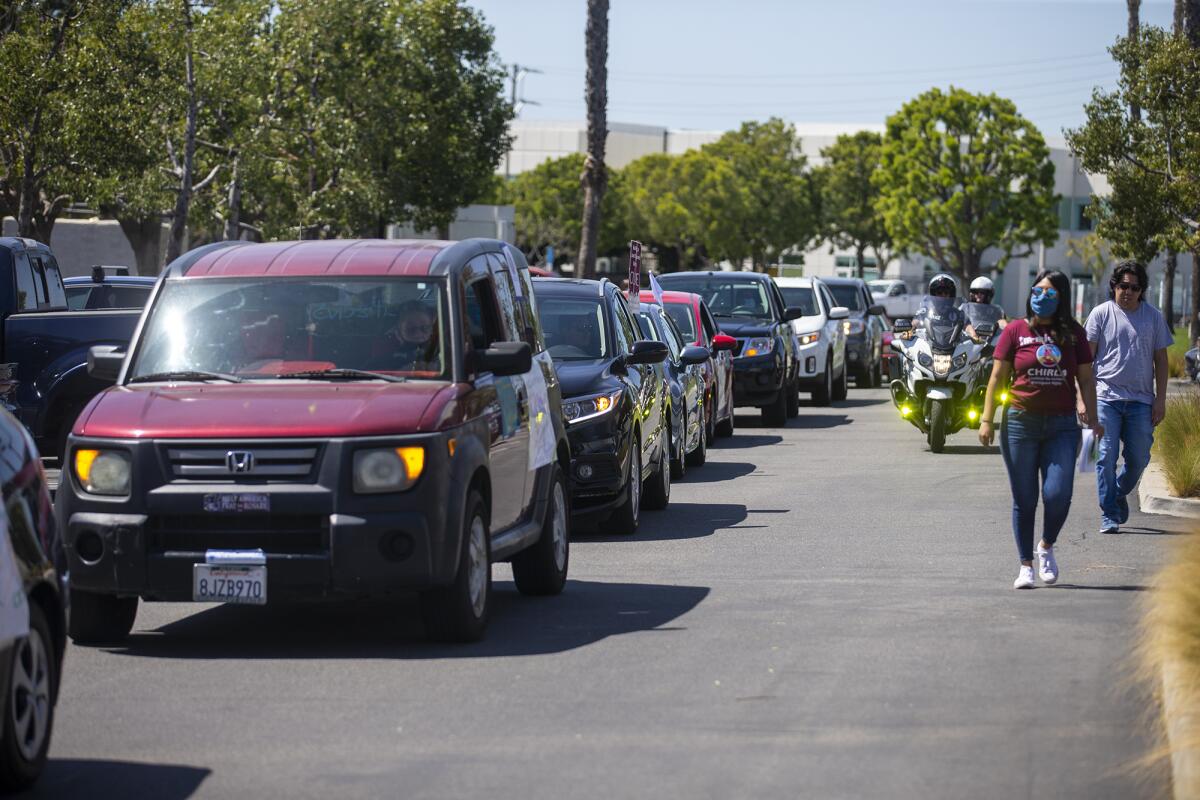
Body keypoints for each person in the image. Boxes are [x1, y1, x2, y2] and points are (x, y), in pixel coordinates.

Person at [979, 270, 1103, 589]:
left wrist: (1092, 416)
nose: (1042, 297)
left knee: (1058, 493)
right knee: (1025, 497)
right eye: (1037, 291)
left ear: (1060, 297)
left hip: (1063, 425)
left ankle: (1046, 545)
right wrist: (986, 419)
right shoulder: (1015, 331)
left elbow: (1086, 380)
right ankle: (1025, 566)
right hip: (1020, 422)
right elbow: (996, 378)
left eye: (1049, 292)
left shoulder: (1073, 333)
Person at [1083, 260, 1173, 535]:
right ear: (1114, 286)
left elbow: (1162, 360)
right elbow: (1085, 362)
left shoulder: (1153, 317)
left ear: (1141, 290)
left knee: (1138, 459)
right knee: (1105, 456)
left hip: (1141, 402)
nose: (1128, 292)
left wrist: (1160, 400)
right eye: (1123, 286)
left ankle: (1118, 492)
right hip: (1105, 397)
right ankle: (1109, 514)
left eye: (1135, 287)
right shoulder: (1100, 314)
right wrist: (1081, 400)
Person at [372, 301, 438, 371]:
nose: (418, 334)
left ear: (432, 329)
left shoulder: (442, 352)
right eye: (411, 329)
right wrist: (401, 372)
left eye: (425, 328)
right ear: (398, 331)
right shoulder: (385, 351)